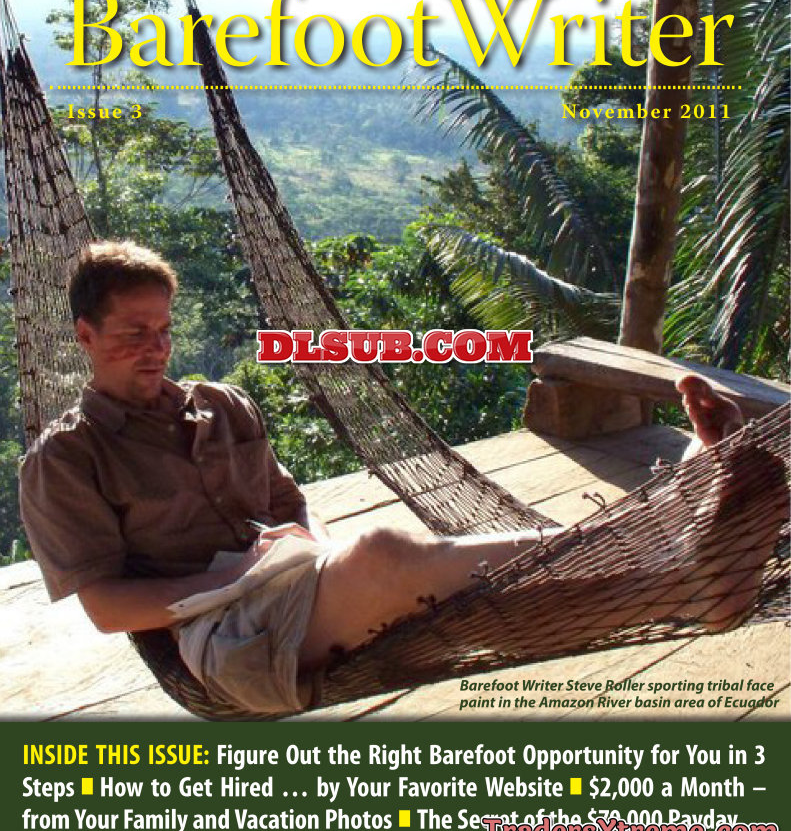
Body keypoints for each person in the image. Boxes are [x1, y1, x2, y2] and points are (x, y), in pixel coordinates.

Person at [19, 241, 780, 716]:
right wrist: (235, 580)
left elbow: (289, 504)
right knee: (387, 552)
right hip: (220, 645)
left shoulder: (222, 404)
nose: (155, 348)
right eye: (133, 334)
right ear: (85, 335)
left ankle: (693, 584)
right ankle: (671, 516)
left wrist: (304, 550)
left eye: (163, 329)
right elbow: (108, 609)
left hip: (295, 590)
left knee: (474, 610)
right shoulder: (65, 460)